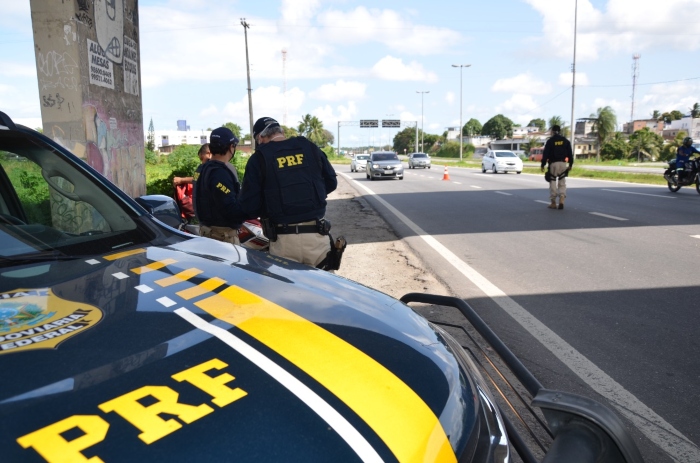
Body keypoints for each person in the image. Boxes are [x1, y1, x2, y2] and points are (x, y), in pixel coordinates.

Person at [239, 116, 339, 268]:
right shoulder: (309, 147)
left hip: (283, 242)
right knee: (322, 289)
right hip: (317, 238)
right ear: (282, 131)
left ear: (260, 138)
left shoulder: (258, 158)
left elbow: (249, 207)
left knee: (287, 291)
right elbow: (331, 182)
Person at [192, 127, 246, 244]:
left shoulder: (201, 169)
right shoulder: (220, 173)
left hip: (206, 232)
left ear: (210, 149)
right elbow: (231, 208)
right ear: (231, 147)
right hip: (222, 237)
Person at [173, 143, 211, 221]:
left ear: (209, 154)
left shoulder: (209, 167)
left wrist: (181, 180)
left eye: (202, 159)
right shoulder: (204, 167)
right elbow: (196, 179)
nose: (202, 162)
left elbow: (196, 179)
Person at [541, 125, 573, 210]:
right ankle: (562, 199)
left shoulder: (550, 141)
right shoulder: (565, 141)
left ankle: (553, 202)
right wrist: (570, 164)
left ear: (552, 131)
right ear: (560, 131)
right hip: (563, 164)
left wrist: (543, 164)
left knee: (553, 182)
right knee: (562, 182)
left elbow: (545, 154)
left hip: (553, 164)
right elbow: (570, 153)